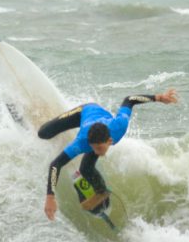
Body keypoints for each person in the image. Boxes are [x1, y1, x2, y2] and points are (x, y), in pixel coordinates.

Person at [38, 89, 178, 220]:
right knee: (43, 133)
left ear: (110, 141)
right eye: (94, 148)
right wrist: (50, 197)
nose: (97, 152)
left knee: (86, 169)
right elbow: (55, 165)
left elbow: (129, 100)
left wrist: (158, 98)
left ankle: (101, 192)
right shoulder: (82, 142)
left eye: (99, 148)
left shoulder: (119, 125)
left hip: (99, 118)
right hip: (85, 111)